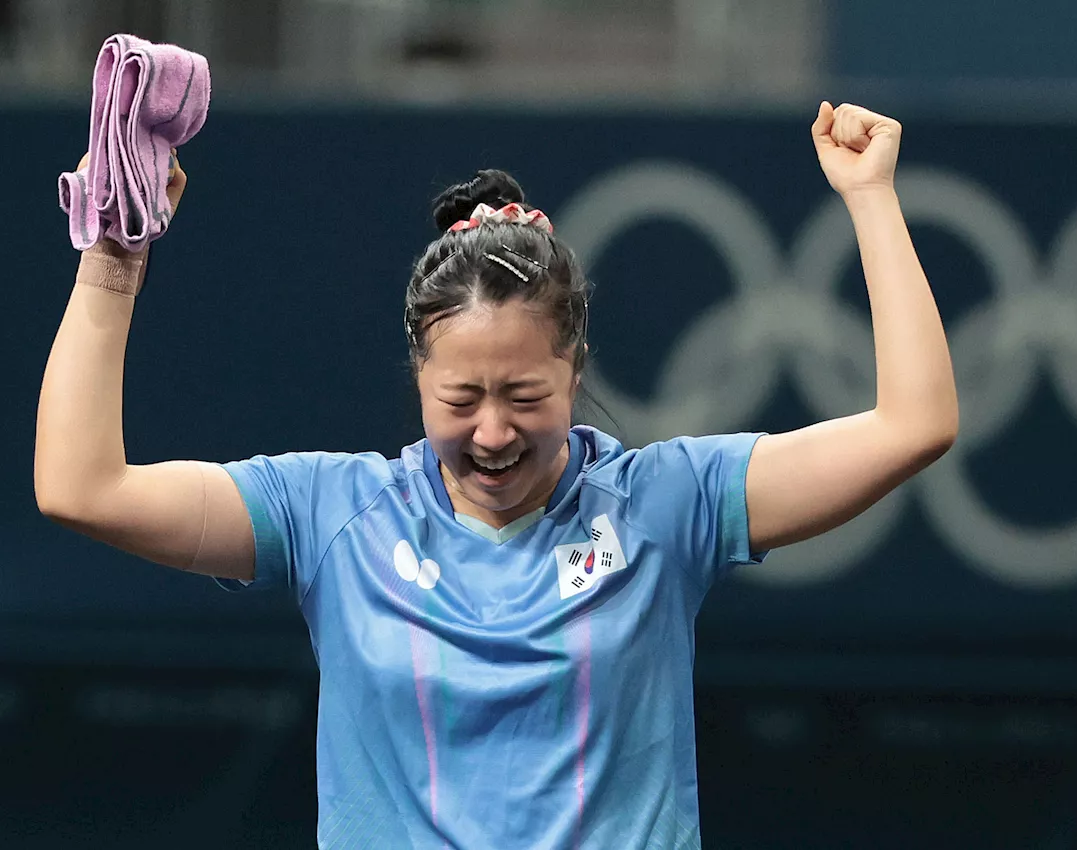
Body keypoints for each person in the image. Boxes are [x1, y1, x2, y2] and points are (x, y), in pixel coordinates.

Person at [35, 102, 958, 849]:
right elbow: (82, 488)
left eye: (524, 394)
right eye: (460, 398)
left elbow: (913, 425)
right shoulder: (330, 515)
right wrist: (113, 259)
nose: (491, 432)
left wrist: (870, 195)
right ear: (418, 380)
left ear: (575, 371)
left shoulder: (666, 507)